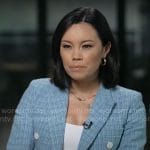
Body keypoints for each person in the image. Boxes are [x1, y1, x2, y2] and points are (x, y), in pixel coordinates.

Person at [7, 7, 146, 150]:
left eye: (86, 46)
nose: (75, 56)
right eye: (67, 46)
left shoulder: (130, 104)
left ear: (105, 49)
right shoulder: (37, 91)